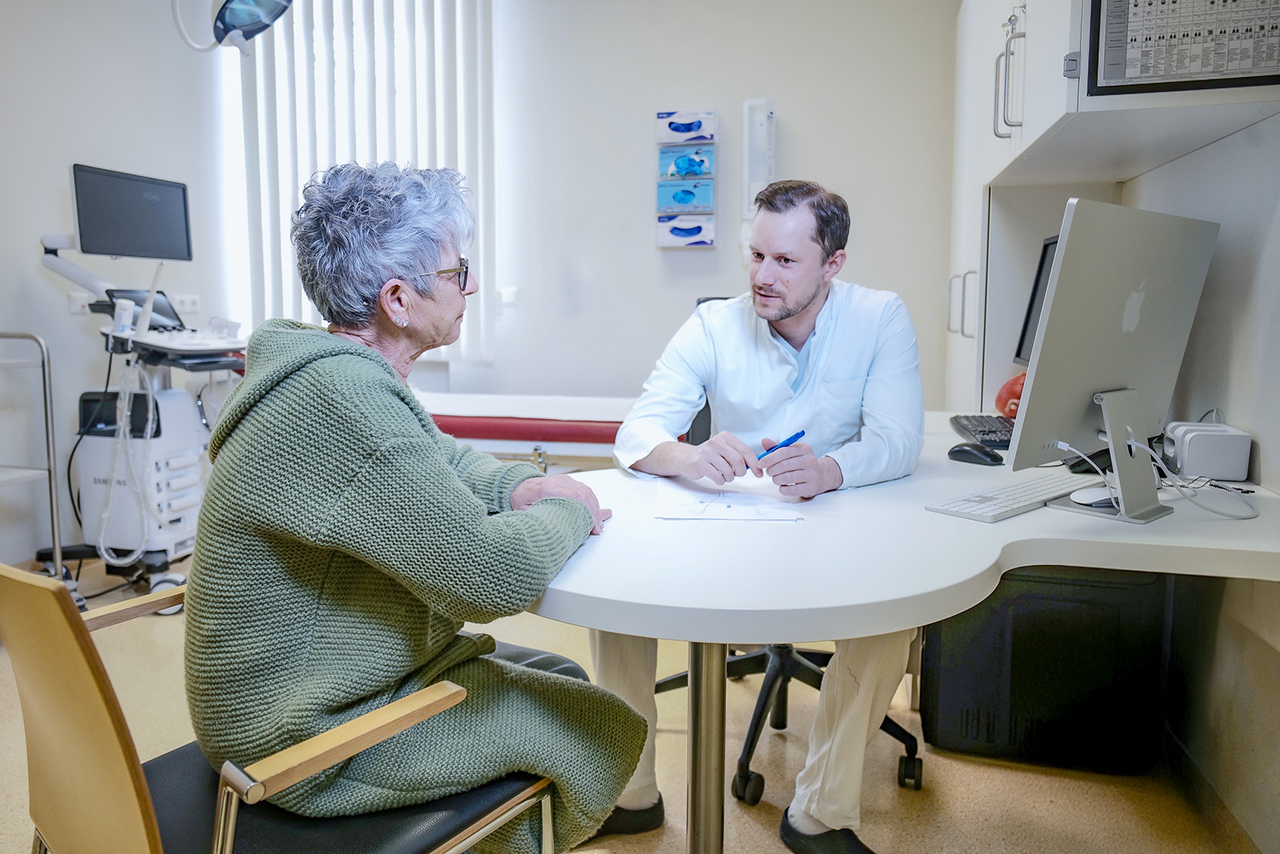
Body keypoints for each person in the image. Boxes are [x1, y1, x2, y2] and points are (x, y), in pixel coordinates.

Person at [184, 162, 646, 854]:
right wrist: (573, 508)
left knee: (563, 677)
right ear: (398, 299)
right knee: (596, 726)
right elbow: (488, 577)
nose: (472, 286)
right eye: (457, 273)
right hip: (300, 740)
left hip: (301, 694)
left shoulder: (329, 370)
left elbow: (438, 457)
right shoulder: (342, 400)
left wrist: (518, 490)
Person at [594, 180, 925, 854]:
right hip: (731, 530)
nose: (761, 278)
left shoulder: (879, 317)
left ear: (833, 262)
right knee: (613, 587)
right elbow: (638, 432)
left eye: (784, 261)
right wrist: (684, 457)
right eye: (755, 257)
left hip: (835, 522)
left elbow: (898, 439)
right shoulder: (716, 323)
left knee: (897, 611)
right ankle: (631, 793)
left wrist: (831, 469)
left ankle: (820, 814)